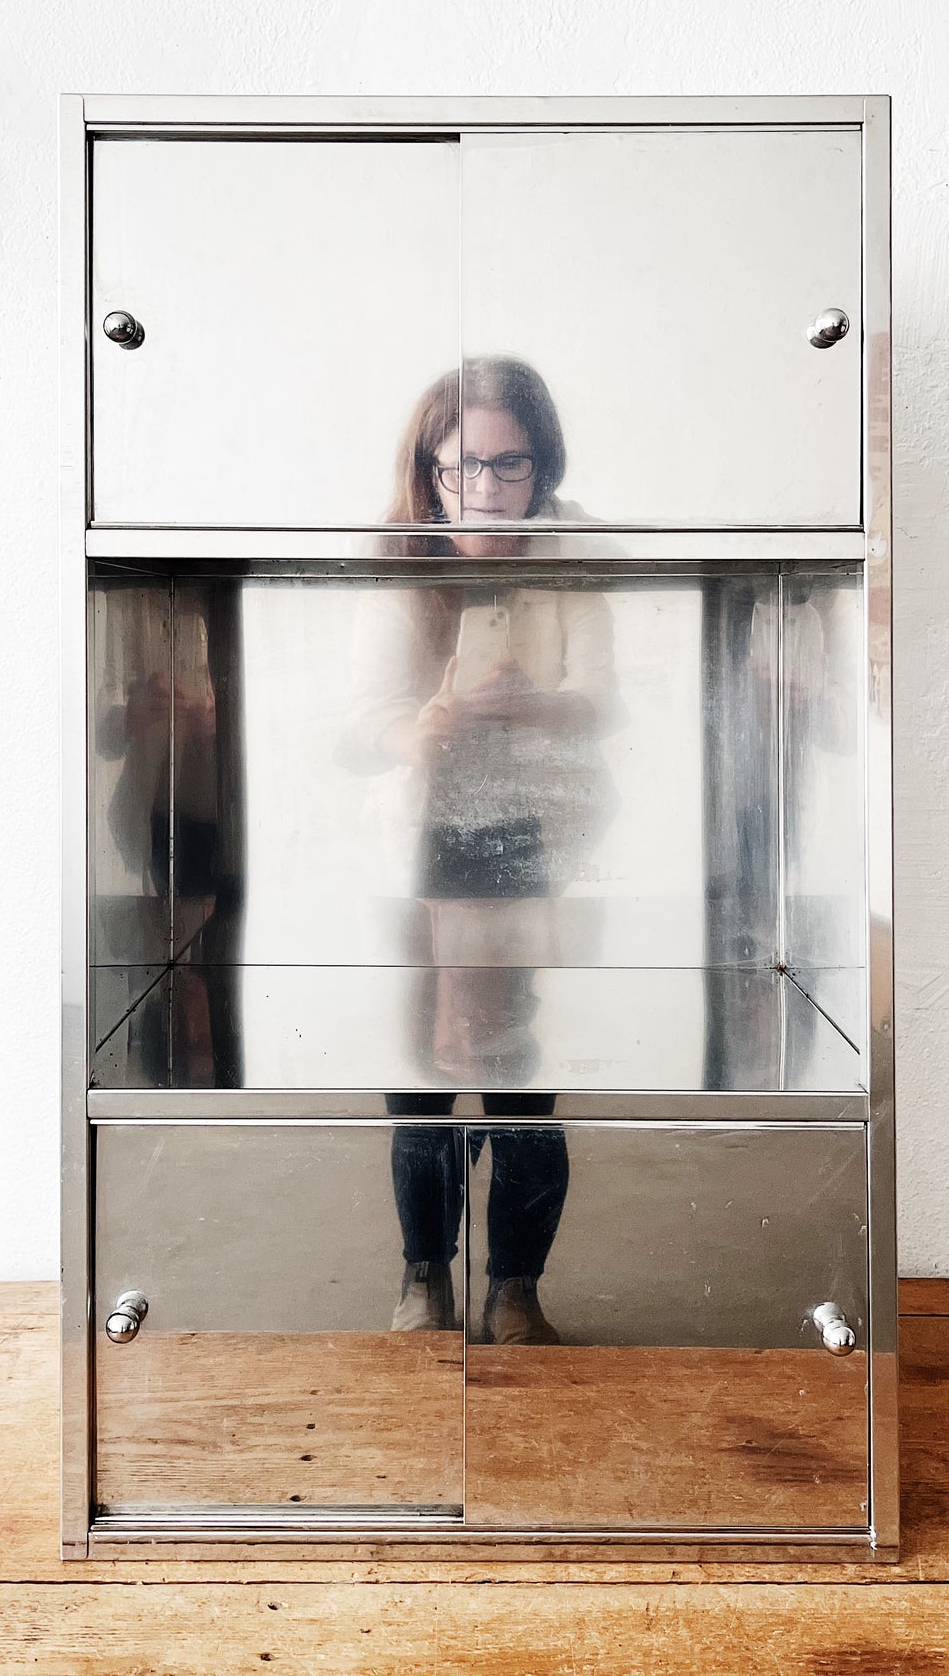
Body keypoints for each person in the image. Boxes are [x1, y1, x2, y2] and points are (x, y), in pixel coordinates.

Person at [342, 357, 622, 1344]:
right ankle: (424, 1277)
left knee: (515, 1074)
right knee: (419, 1070)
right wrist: (421, 728)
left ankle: (515, 1287)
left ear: (542, 466)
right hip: (417, 835)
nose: (487, 489)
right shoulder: (400, 557)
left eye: (510, 465)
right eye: (464, 466)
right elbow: (361, 722)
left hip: (524, 831)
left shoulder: (570, 550)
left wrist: (531, 705)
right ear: (430, 469)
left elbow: (601, 700)